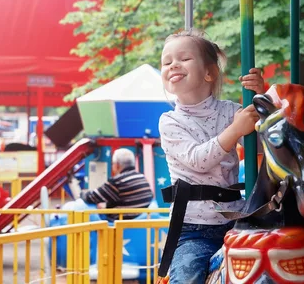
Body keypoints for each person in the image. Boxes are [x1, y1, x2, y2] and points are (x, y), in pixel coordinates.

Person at [157, 29, 264, 284]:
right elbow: (198, 159)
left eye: (183, 58)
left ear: (209, 73)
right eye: (166, 61)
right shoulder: (170, 122)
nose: (173, 65)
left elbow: (259, 146)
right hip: (193, 230)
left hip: (237, 220)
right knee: (187, 276)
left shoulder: (230, 111)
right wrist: (236, 129)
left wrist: (262, 99)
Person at [74, 147, 154, 220]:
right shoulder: (142, 177)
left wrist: (82, 193)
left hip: (120, 223)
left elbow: (91, 197)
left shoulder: (117, 181)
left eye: (112, 164)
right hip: (141, 221)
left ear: (117, 165)